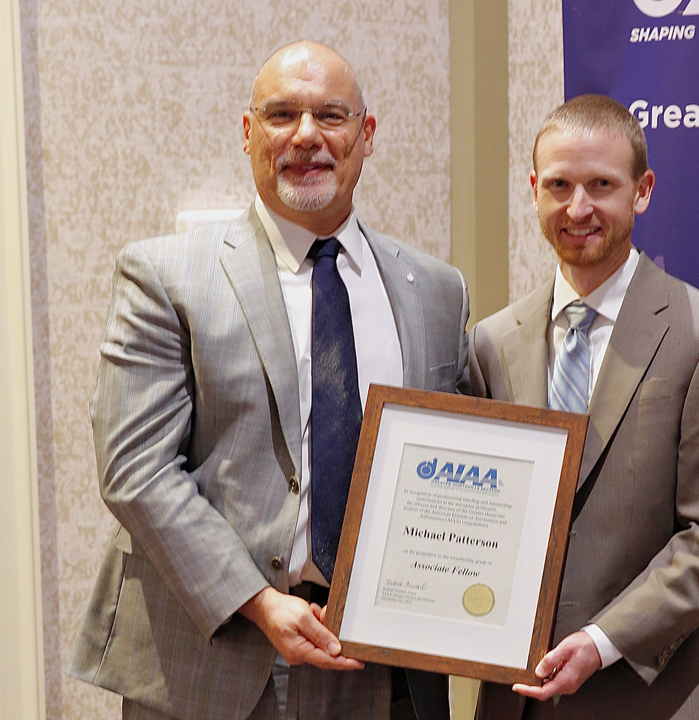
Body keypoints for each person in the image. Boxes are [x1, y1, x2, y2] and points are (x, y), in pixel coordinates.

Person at [68, 41, 466, 720]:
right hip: (215, 656)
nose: (306, 136)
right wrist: (258, 603)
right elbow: (134, 467)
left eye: (330, 116)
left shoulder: (435, 290)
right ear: (249, 133)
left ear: (366, 136)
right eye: (281, 114)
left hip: (384, 666)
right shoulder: (166, 276)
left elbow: (448, 468)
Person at [469, 95, 699, 719]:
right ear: (534, 191)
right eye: (559, 185)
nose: (578, 208)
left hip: (654, 695)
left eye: (601, 185)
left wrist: (601, 642)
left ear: (643, 190)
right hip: (515, 699)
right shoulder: (491, 342)